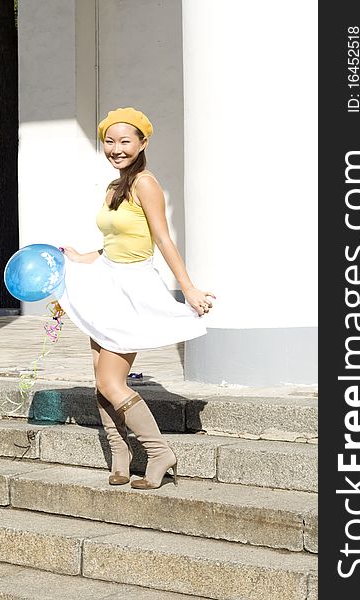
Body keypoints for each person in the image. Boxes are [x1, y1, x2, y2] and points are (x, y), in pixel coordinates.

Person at [59, 107, 215, 490]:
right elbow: (114, 245)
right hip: (106, 284)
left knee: (113, 382)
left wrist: (189, 287)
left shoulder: (145, 183)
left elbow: (161, 238)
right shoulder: (114, 188)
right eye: (109, 141)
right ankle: (121, 455)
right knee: (102, 380)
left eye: (125, 140)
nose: (116, 148)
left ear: (143, 142)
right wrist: (82, 257)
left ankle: (158, 451)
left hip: (132, 289)